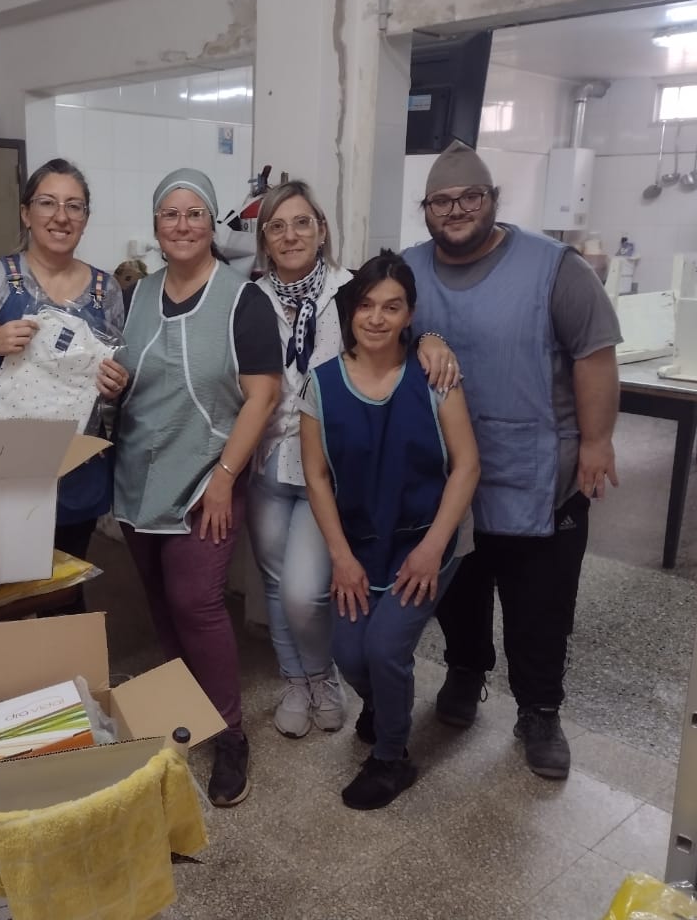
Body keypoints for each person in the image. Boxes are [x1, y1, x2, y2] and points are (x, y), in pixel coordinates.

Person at [401, 141, 621, 780]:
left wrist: (597, 441)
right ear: (426, 210)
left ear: (493, 199)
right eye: (442, 201)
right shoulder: (407, 271)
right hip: (448, 478)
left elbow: (594, 354)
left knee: (540, 606)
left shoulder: (555, 269)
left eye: (470, 197)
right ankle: (465, 672)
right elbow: (377, 335)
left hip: (538, 474)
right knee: (459, 592)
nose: (457, 210)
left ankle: (540, 711)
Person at [247, 180, 461, 740]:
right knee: (276, 583)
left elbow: (393, 324)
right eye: (276, 226)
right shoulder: (251, 297)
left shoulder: (350, 288)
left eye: (302, 222)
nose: (290, 235)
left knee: (305, 590)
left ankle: (326, 678)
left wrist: (431, 338)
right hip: (269, 458)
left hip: (331, 471)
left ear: (321, 229)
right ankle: (296, 681)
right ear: (264, 239)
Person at [113, 168, 282, 807]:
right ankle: (187, 712)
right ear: (156, 226)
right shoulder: (137, 295)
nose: (182, 226)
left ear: (213, 224)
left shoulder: (243, 300)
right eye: (170, 214)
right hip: (138, 473)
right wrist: (110, 381)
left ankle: (230, 735)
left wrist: (224, 479)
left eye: (195, 214)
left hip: (206, 476)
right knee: (160, 601)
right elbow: (126, 374)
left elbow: (262, 396)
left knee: (196, 602)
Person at [299, 250, 479, 809]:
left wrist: (431, 549)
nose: (377, 318)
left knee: (384, 648)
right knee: (349, 653)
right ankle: (382, 704)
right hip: (360, 542)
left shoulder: (435, 377)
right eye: (367, 306)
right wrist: (341, 557)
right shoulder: (321, 385)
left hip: (429, 539)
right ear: (350, 311)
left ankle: (392, 757)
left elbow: (467, 466)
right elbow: (316, 475)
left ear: (409, 315)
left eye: (392, 307)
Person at [0, 158, 129, 611]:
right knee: (3, 594)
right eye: (48, 203)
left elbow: (111, 394)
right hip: (4, 467)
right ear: (26, 213)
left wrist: (115, 385)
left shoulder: (106, 291)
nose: (61, 216)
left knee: (64, 590)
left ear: (85, 218)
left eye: (74, 206)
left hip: (75, 468)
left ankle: (62, 656)